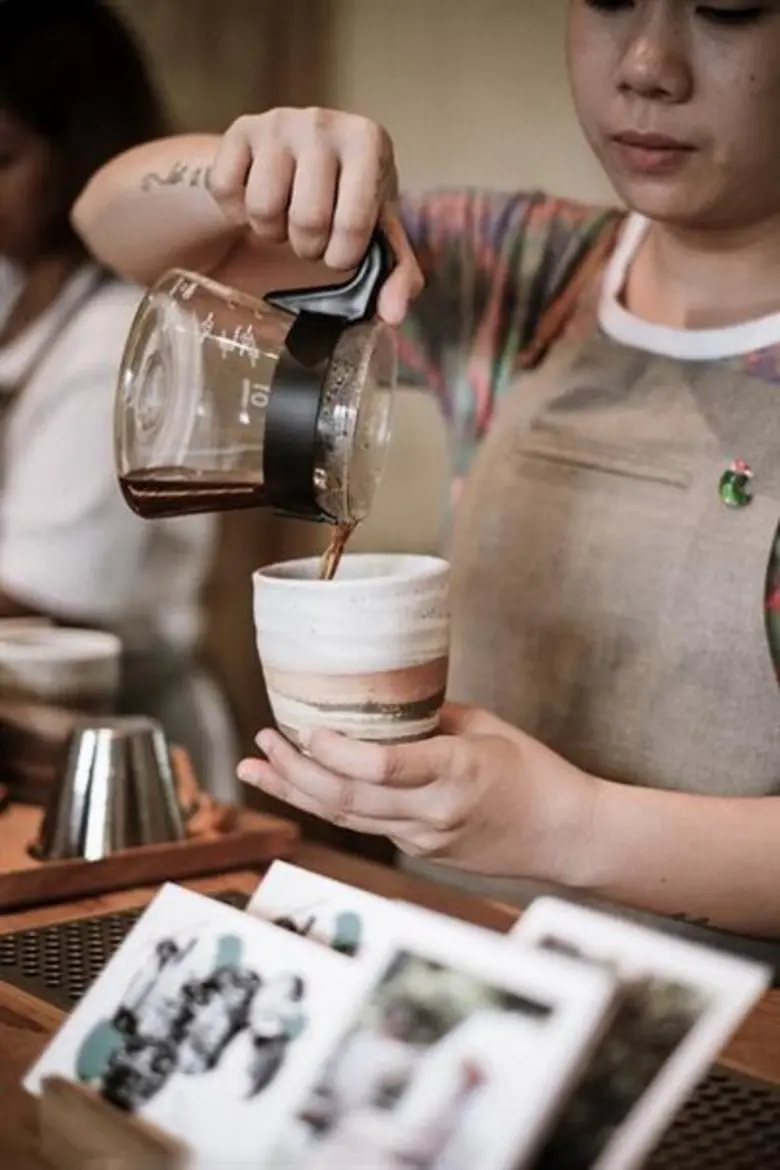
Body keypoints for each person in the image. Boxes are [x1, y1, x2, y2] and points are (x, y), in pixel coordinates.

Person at [73, 0, 780, 936]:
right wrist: (243, 166)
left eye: (726, 9)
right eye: (609, 0)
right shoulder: (527, 273)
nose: (647, 65)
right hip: (443, 975)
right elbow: (108, 222)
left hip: (733, 1044)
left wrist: (567, 827)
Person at [0, 0, 237, 797]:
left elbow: (34, 604)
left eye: (2, 159)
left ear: (80, 157)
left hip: (112, 755)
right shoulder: (14, 287)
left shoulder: (124, 338)